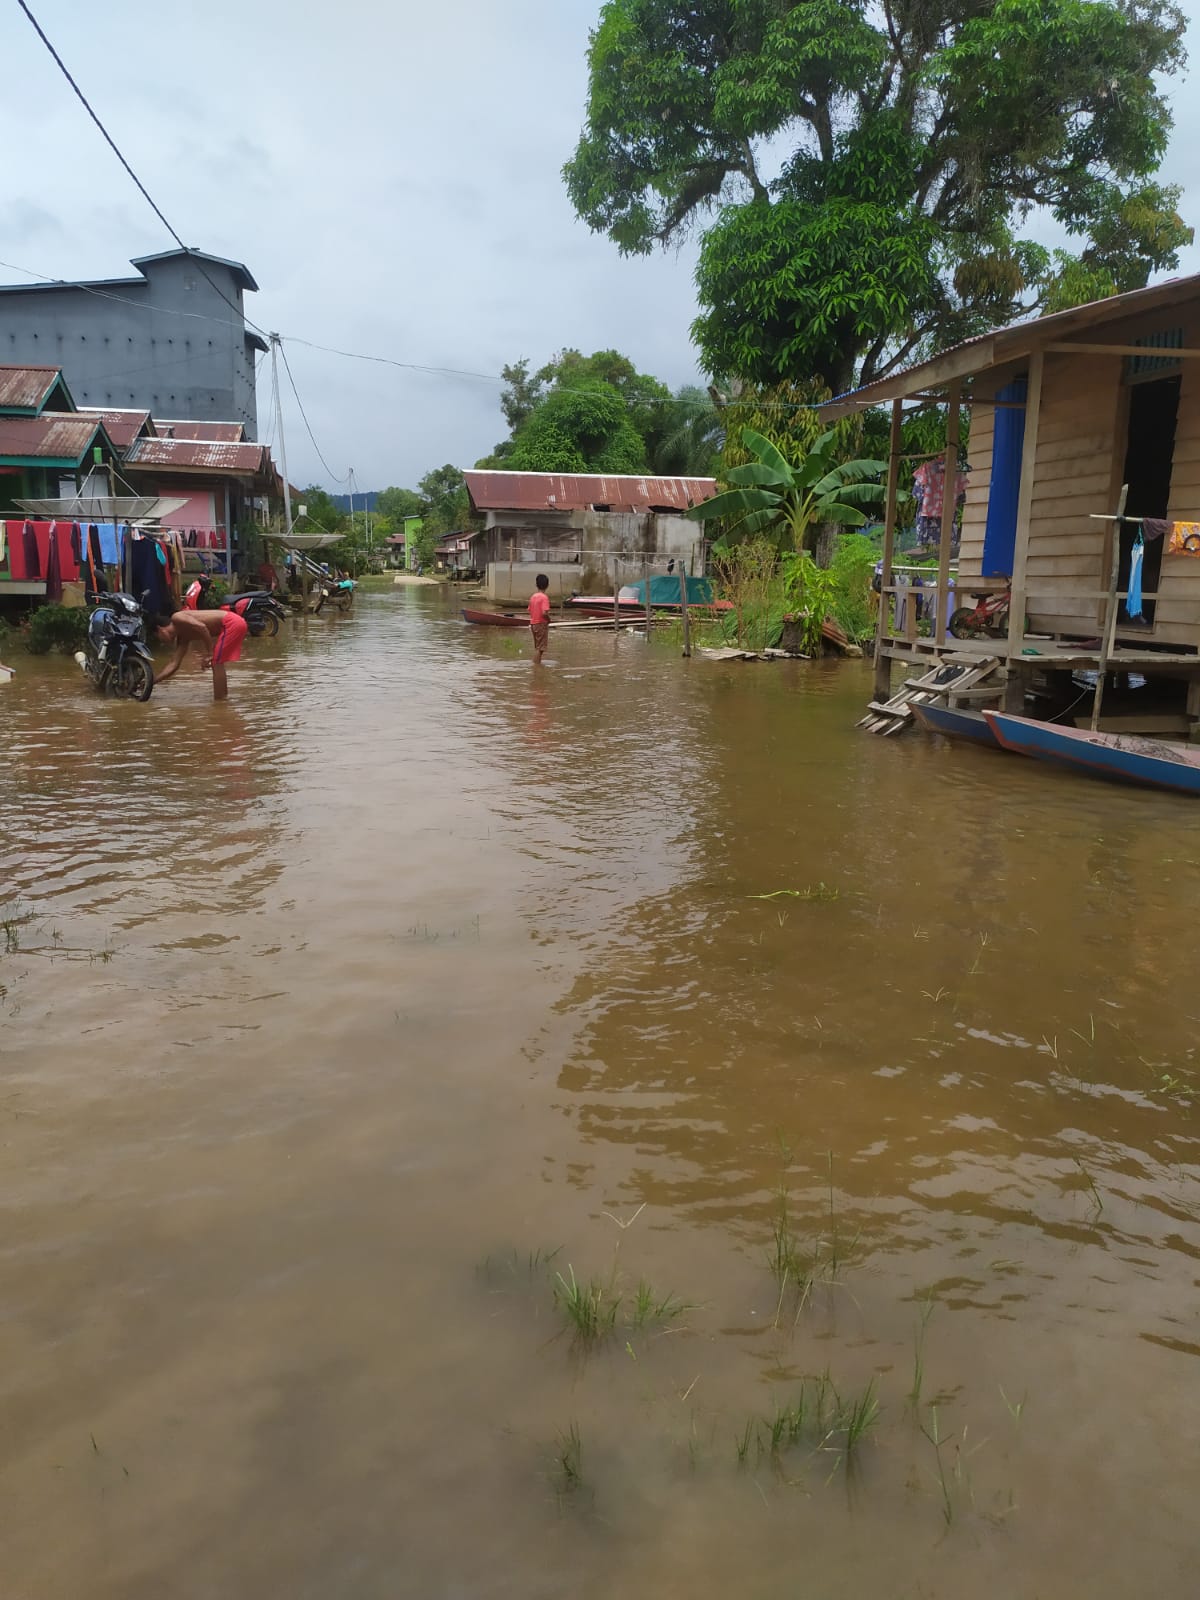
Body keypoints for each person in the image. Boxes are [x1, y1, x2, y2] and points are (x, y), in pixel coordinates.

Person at [155, 608, 249, 701]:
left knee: (216, 662)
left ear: (160, 630)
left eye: (158, 637)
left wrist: (209, 653)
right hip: (234, 624)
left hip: (232, 623)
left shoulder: (177, 618)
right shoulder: (183, 638)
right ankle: (222, 699)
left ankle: (220, 702)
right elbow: (173, 664)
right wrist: (152, 682)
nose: (162, 641)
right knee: (217, 663)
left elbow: (202, 627)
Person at [528, 572, 551, 665]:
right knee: (540, 649)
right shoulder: (544, 598)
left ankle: (536, 665)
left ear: (536, 585)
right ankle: (536, 667)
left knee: (538, 647)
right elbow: (544, 613)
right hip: (541, 624)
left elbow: (529, 610)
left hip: (533, 624)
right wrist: (549, 619)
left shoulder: (533, 597)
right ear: (547, 585)